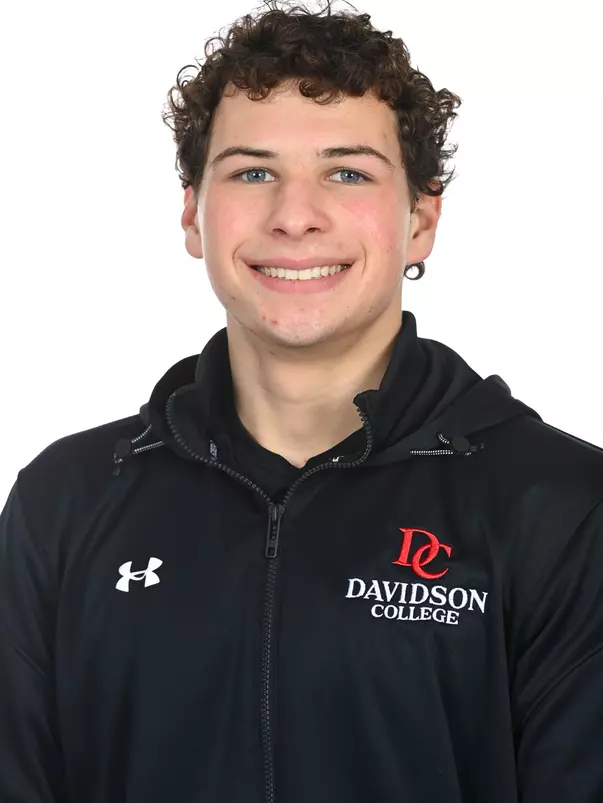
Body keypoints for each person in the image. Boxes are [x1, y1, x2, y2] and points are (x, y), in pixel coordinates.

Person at [2, 0, 603, 800]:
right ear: (193, 213)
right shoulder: (66, 498)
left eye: (346, 172)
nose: (293, 217)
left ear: (420, 219)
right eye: (253, 172)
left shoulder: (562, 507)